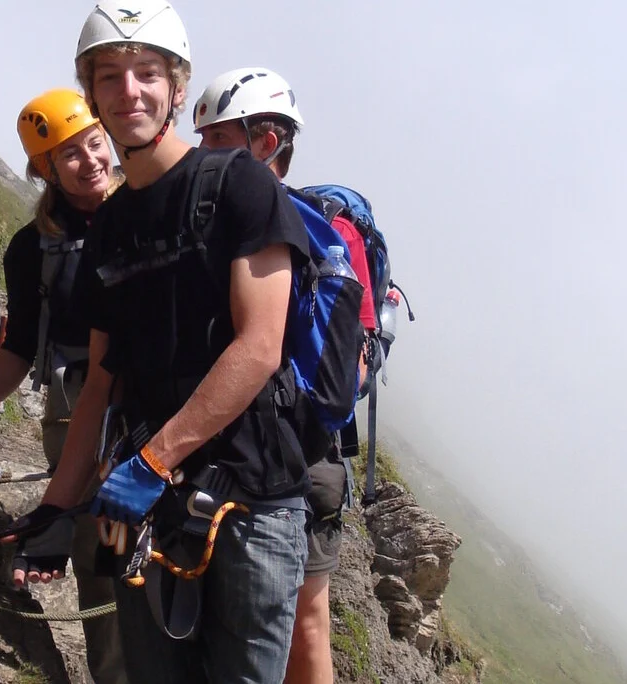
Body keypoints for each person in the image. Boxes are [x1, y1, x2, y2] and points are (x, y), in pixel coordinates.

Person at [7, 1, 314, 681]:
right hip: (131, 497)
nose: (129, 91)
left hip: (250, 501)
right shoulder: (109, 225)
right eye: (109, 77)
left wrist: (149, 463)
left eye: (148, 73)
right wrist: (57, 509)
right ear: (91, 96)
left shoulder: (241, 185)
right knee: (138, 673)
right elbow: (100, 384)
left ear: (179, 88)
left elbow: (259, 347)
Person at [194, 67, 379, 684]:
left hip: (293, 458)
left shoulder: (306, 230)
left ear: (266, 140)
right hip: (280, 453)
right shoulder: (263, 225)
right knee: (302, 620)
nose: (203, 154)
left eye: (218, 139)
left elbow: (344, 363)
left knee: (304, 620)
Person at [0, 88, 128, 684]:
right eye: (69, 155)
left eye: (94, 143)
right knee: (105, 557)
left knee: (162, 553)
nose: (91, 161)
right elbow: (21, 344)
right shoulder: (32, 250)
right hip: (79, 410)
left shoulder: (149, 211)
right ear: (43, 169)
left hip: (152, 403)